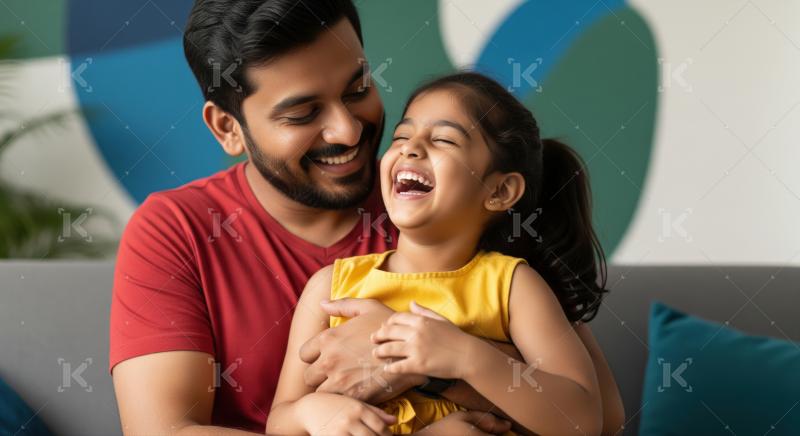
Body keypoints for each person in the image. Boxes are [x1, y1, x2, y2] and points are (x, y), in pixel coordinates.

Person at [110, 1, 625, 434]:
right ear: (228, 128)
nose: (349, 131)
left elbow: (601, 415)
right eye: (303, 114)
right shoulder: (178, 230)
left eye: (357, 89)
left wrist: (426, 365)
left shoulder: (444, 206)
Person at [266, 72, 611, 435]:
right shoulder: (330, 287)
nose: (410, 148)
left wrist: (466, 355)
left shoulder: (513, 285)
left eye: (444, 139)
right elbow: (280, 421)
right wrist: (310, 412)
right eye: (401, 136)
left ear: (500, 191)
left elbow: (583, 419)